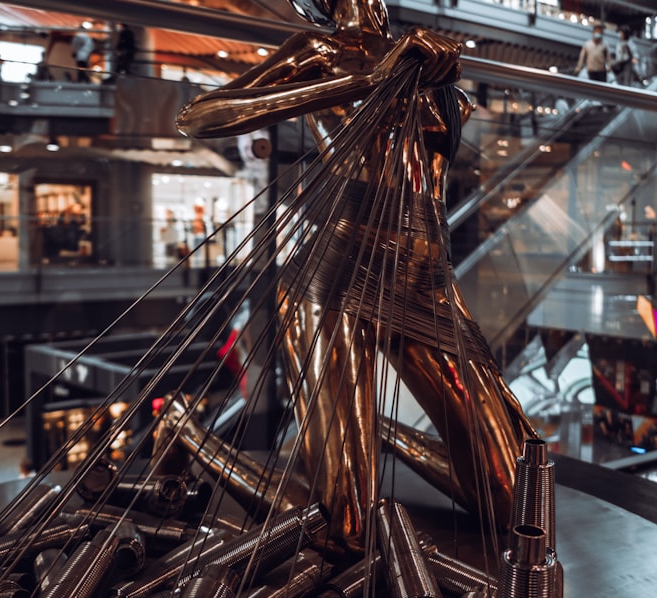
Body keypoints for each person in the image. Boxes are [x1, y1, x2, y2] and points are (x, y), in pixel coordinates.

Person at [176, 0, 536, 550]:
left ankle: (382, 432)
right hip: (336, 279)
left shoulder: (427, 54)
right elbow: (199, 116)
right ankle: (187, 433)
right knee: (343, 527)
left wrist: (426, 79)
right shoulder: (321, 51)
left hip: (423, 279)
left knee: (517, 502)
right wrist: (368, 80)